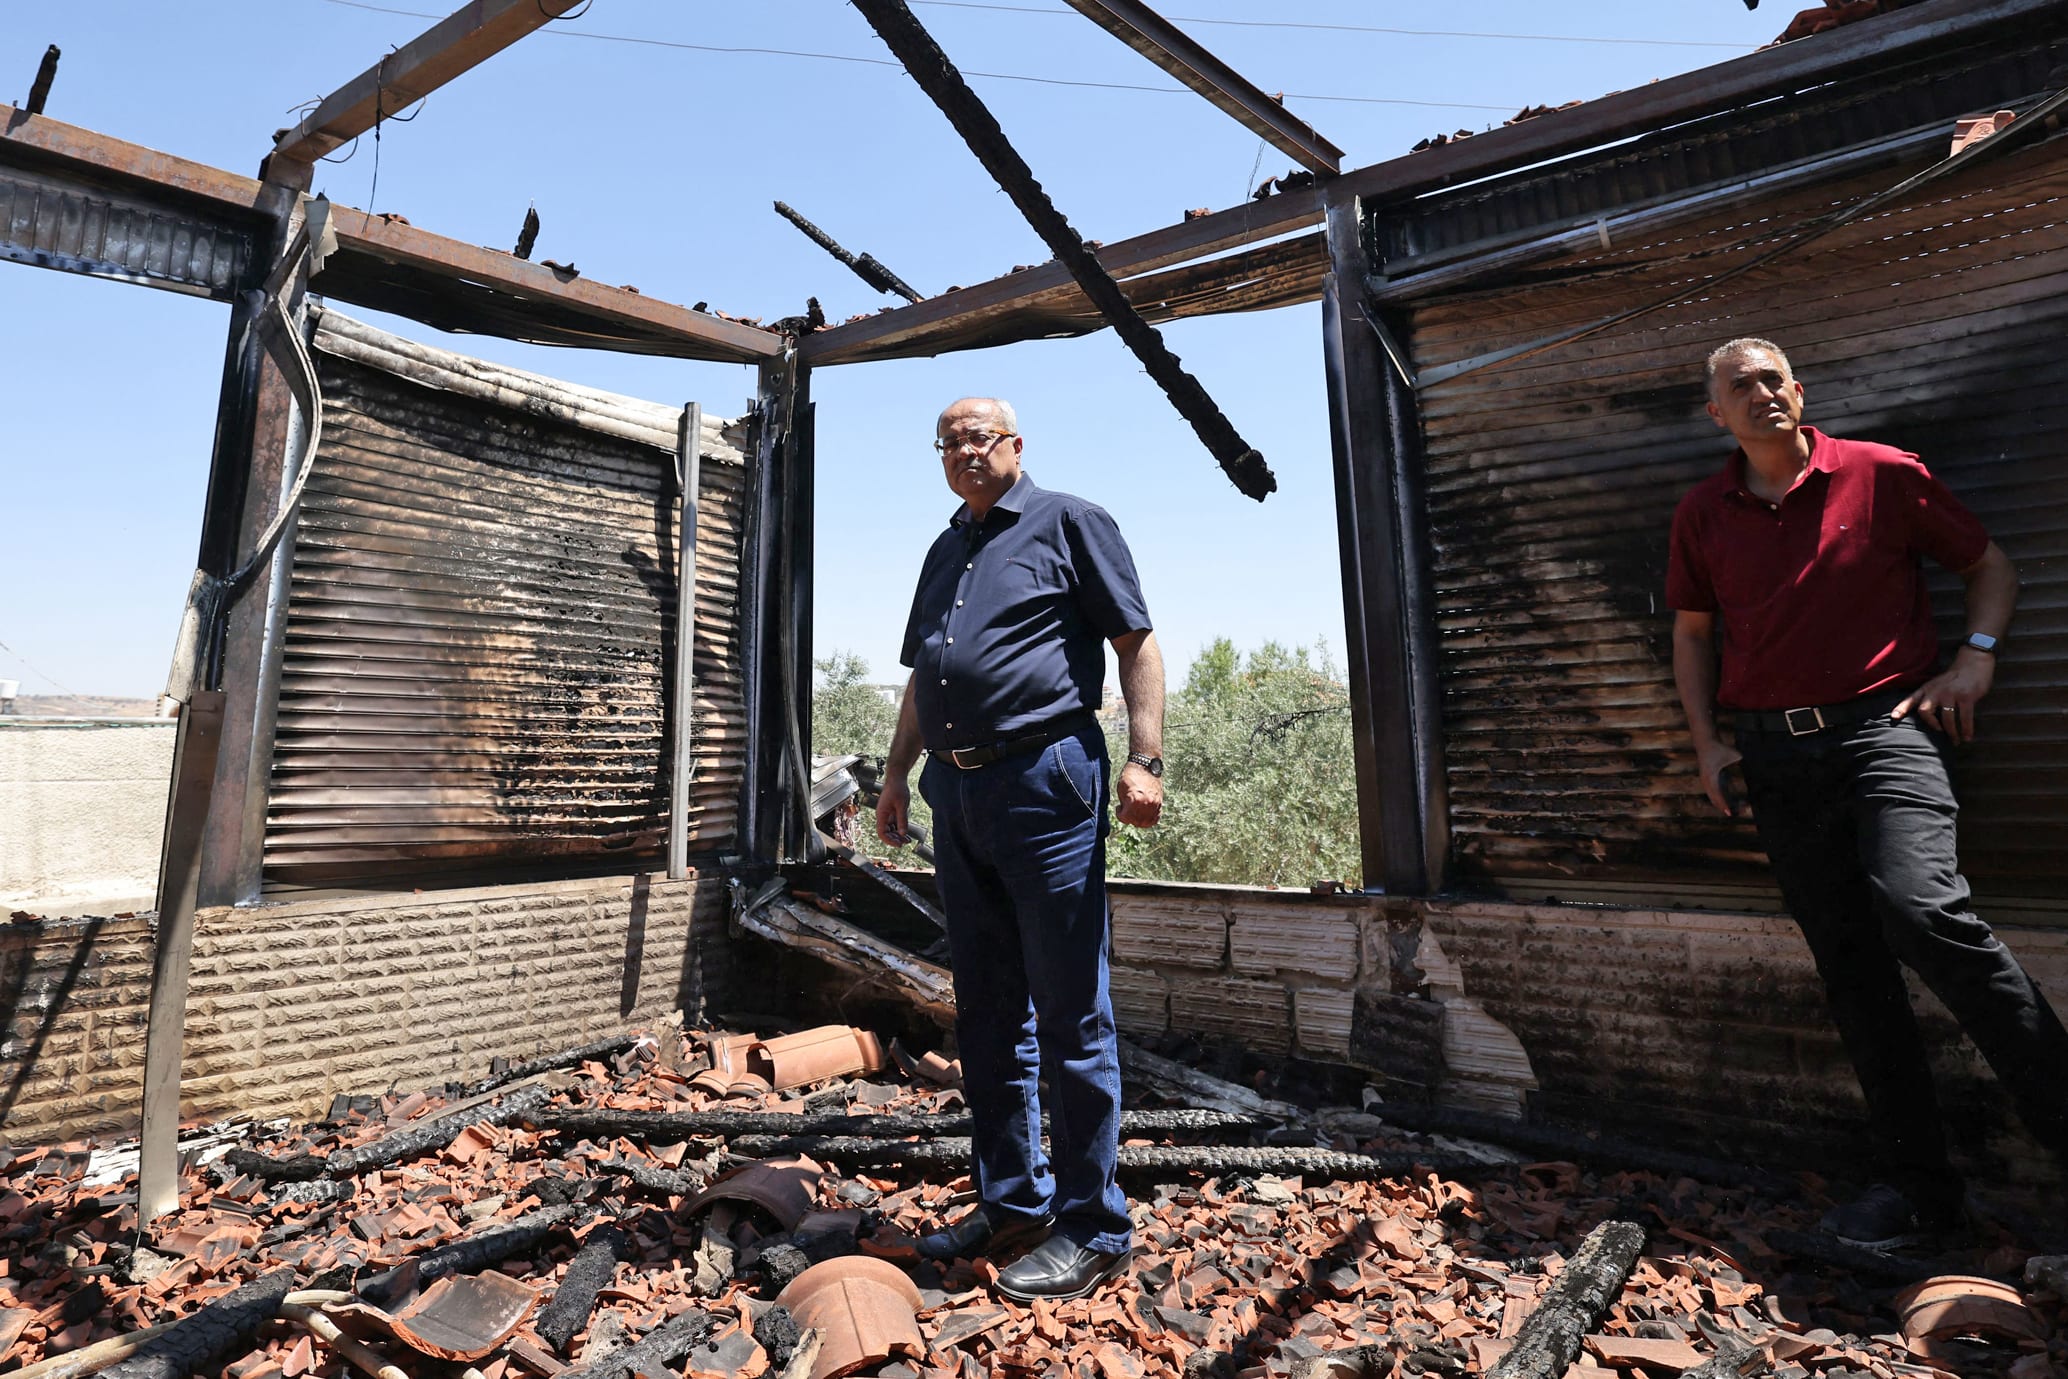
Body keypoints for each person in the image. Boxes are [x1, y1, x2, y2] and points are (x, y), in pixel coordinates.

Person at [1667, 337, 2068, 1247]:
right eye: (1741, 387)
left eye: (1775, 379)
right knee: (1852, 974)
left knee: (1923, 912)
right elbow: (1694, 636)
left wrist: (1977, 661)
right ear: (1716, 416)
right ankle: (1922, 1197)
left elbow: (1990, 568)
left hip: (1885, 735)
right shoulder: (1703, 513)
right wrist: (1706, 744)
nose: (1762, 394)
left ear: (1800, 392)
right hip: (1774, 760)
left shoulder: (1884, 475)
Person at [875, 397, 1165, 1301]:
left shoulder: (1069, 521)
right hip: (957, 791)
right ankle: (1014, 1199)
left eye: (979, 437)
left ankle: (1094, 1224)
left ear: (1015, 444)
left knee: (1072, 1010)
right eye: (949, 442)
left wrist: (1146, 757)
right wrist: (894, 776)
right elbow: (928, 674)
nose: (964, 452)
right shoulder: (944, 549)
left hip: (1046, 779)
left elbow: (1137, 643)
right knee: (989, 1010)